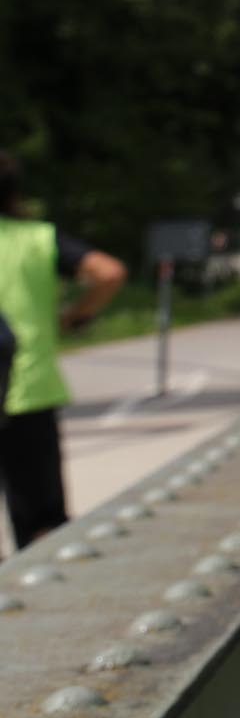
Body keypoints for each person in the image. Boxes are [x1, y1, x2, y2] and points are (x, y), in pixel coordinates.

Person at [0, 153, 126, 547]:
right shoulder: (37, 238)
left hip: (23, 390)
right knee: (42, 524)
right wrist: (74, 315)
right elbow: (109, 272)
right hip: (29, 389)